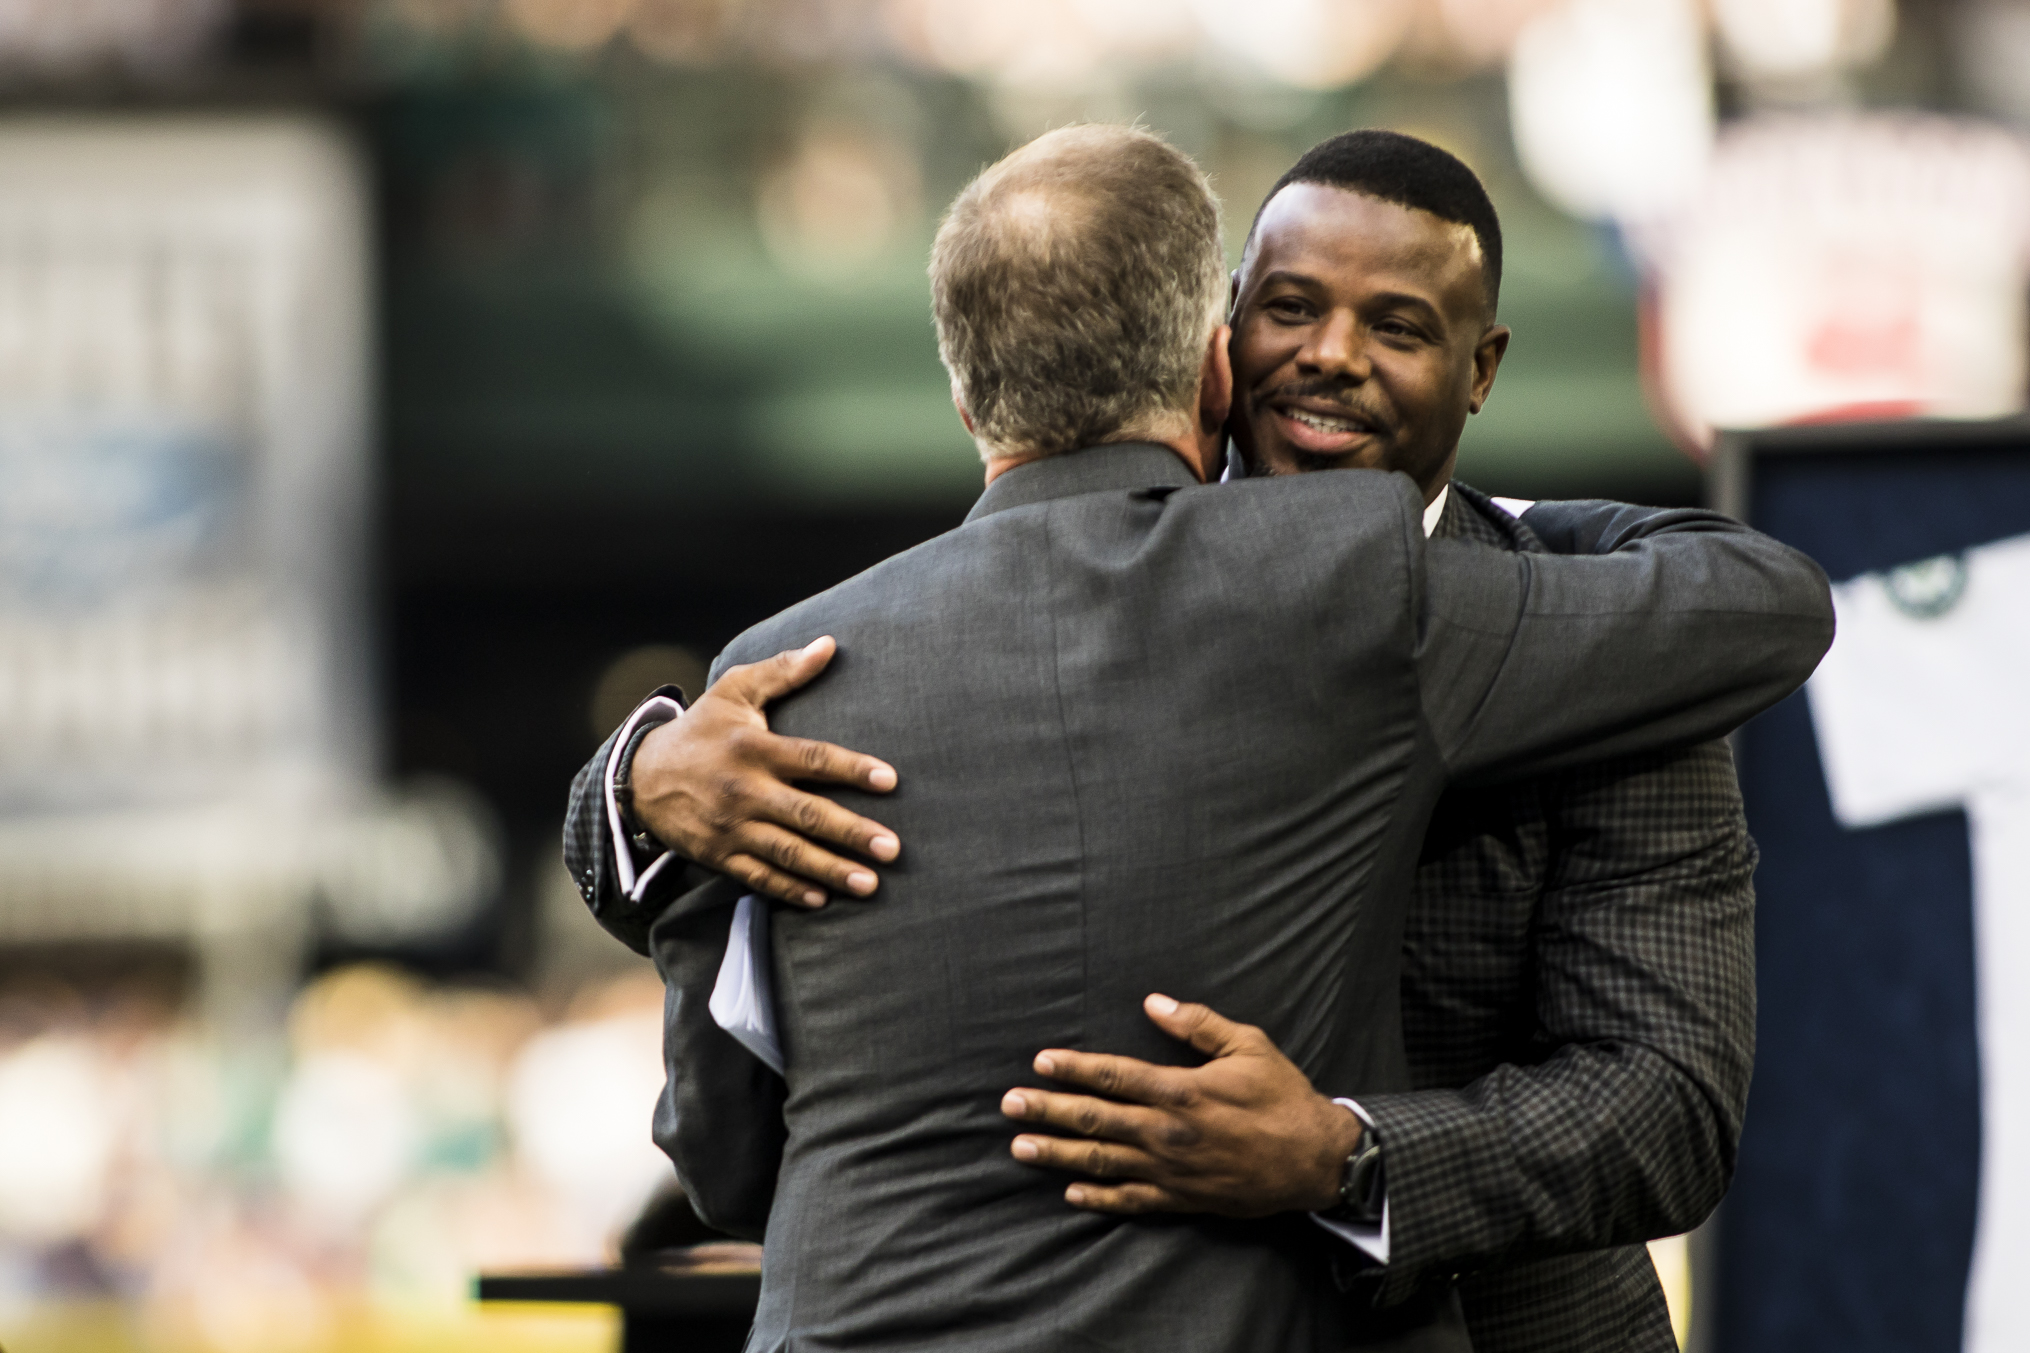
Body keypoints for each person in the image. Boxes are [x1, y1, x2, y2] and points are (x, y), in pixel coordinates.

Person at [564, 125, 1831, 1351]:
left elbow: (1667, 1109)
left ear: (1482, 367)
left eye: (1395, 325)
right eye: (1289, 308)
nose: (1330, 356)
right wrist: (634, 785)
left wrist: (1348, 1156)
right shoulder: (824, 677)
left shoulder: (1610, 649)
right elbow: (741, 1131)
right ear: (1216, 339)